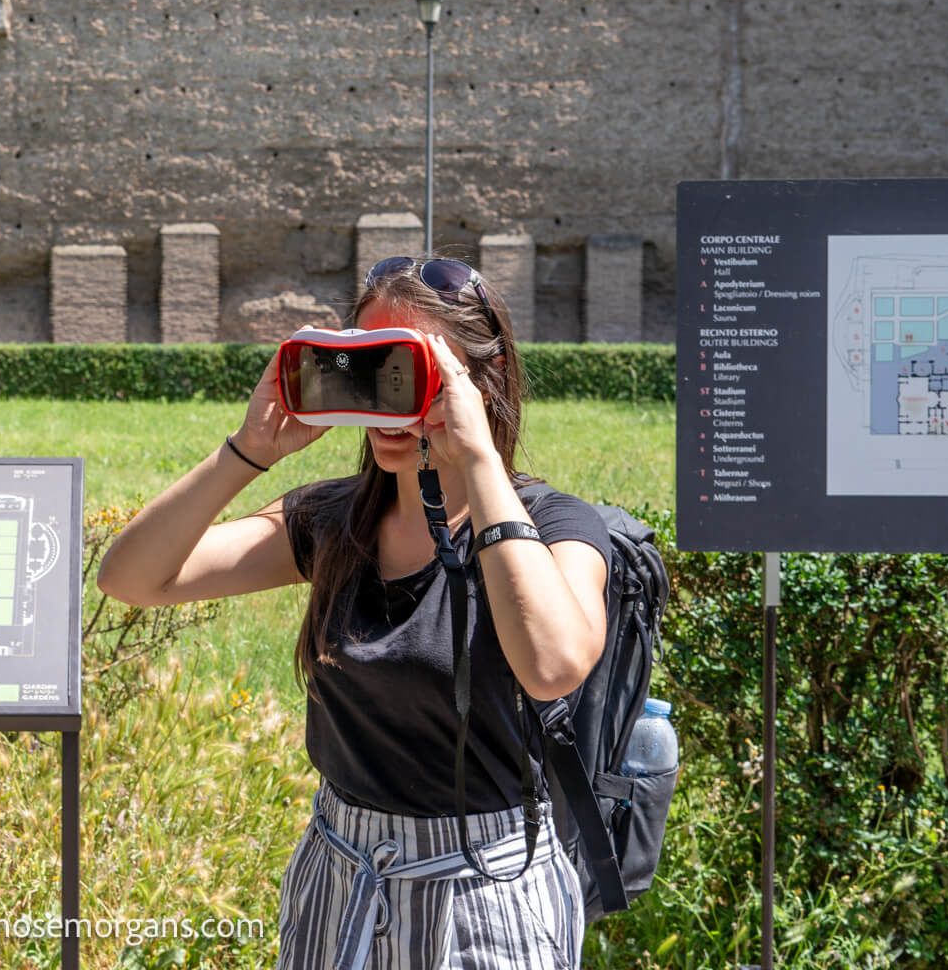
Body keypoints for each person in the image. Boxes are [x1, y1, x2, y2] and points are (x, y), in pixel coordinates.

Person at [97, 255, 612, 969]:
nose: (387, 404)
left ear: (478, 382)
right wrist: (248, 451)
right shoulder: (335, 521)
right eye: (367, 370)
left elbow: (553, 666)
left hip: (483, 891)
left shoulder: (558, 526)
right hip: (340, 874)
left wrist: (480, 460)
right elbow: (131, 578)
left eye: (409, 372)